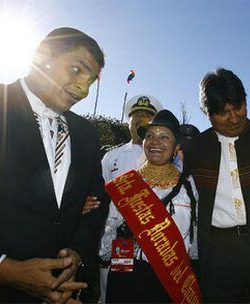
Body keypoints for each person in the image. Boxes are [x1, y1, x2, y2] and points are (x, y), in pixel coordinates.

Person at [0, 27, 110, 303]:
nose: (83, 89)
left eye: (92, 81)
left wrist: (77, 254)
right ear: (41, 56)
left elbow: (96, 203)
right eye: (76, 70)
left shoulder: (86, 133)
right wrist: (5, 270)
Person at [183, 68, 250, 302]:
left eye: (238, 107)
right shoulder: (194, 150)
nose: (234, 118)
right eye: (223, 113)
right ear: (207, 113)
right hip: (217, 251)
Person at [102, 110, 199, 303]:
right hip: (127, 275)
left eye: (164, 137)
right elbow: (108, 236)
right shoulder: (126, 184)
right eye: (149, 136)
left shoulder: (188, 186)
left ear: (176, 146)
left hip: (172, 279)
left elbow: (195, 239)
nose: (155, 142)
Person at [83, 94, 163, 303]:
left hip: (157, 240)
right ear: (128, 121)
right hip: (122, 240)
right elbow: (98, 198)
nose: (140, 119)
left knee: (150, 293)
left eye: (147, 115)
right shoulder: (112, 156)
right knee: (116, 292)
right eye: (136, 115)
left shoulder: (165, 156)